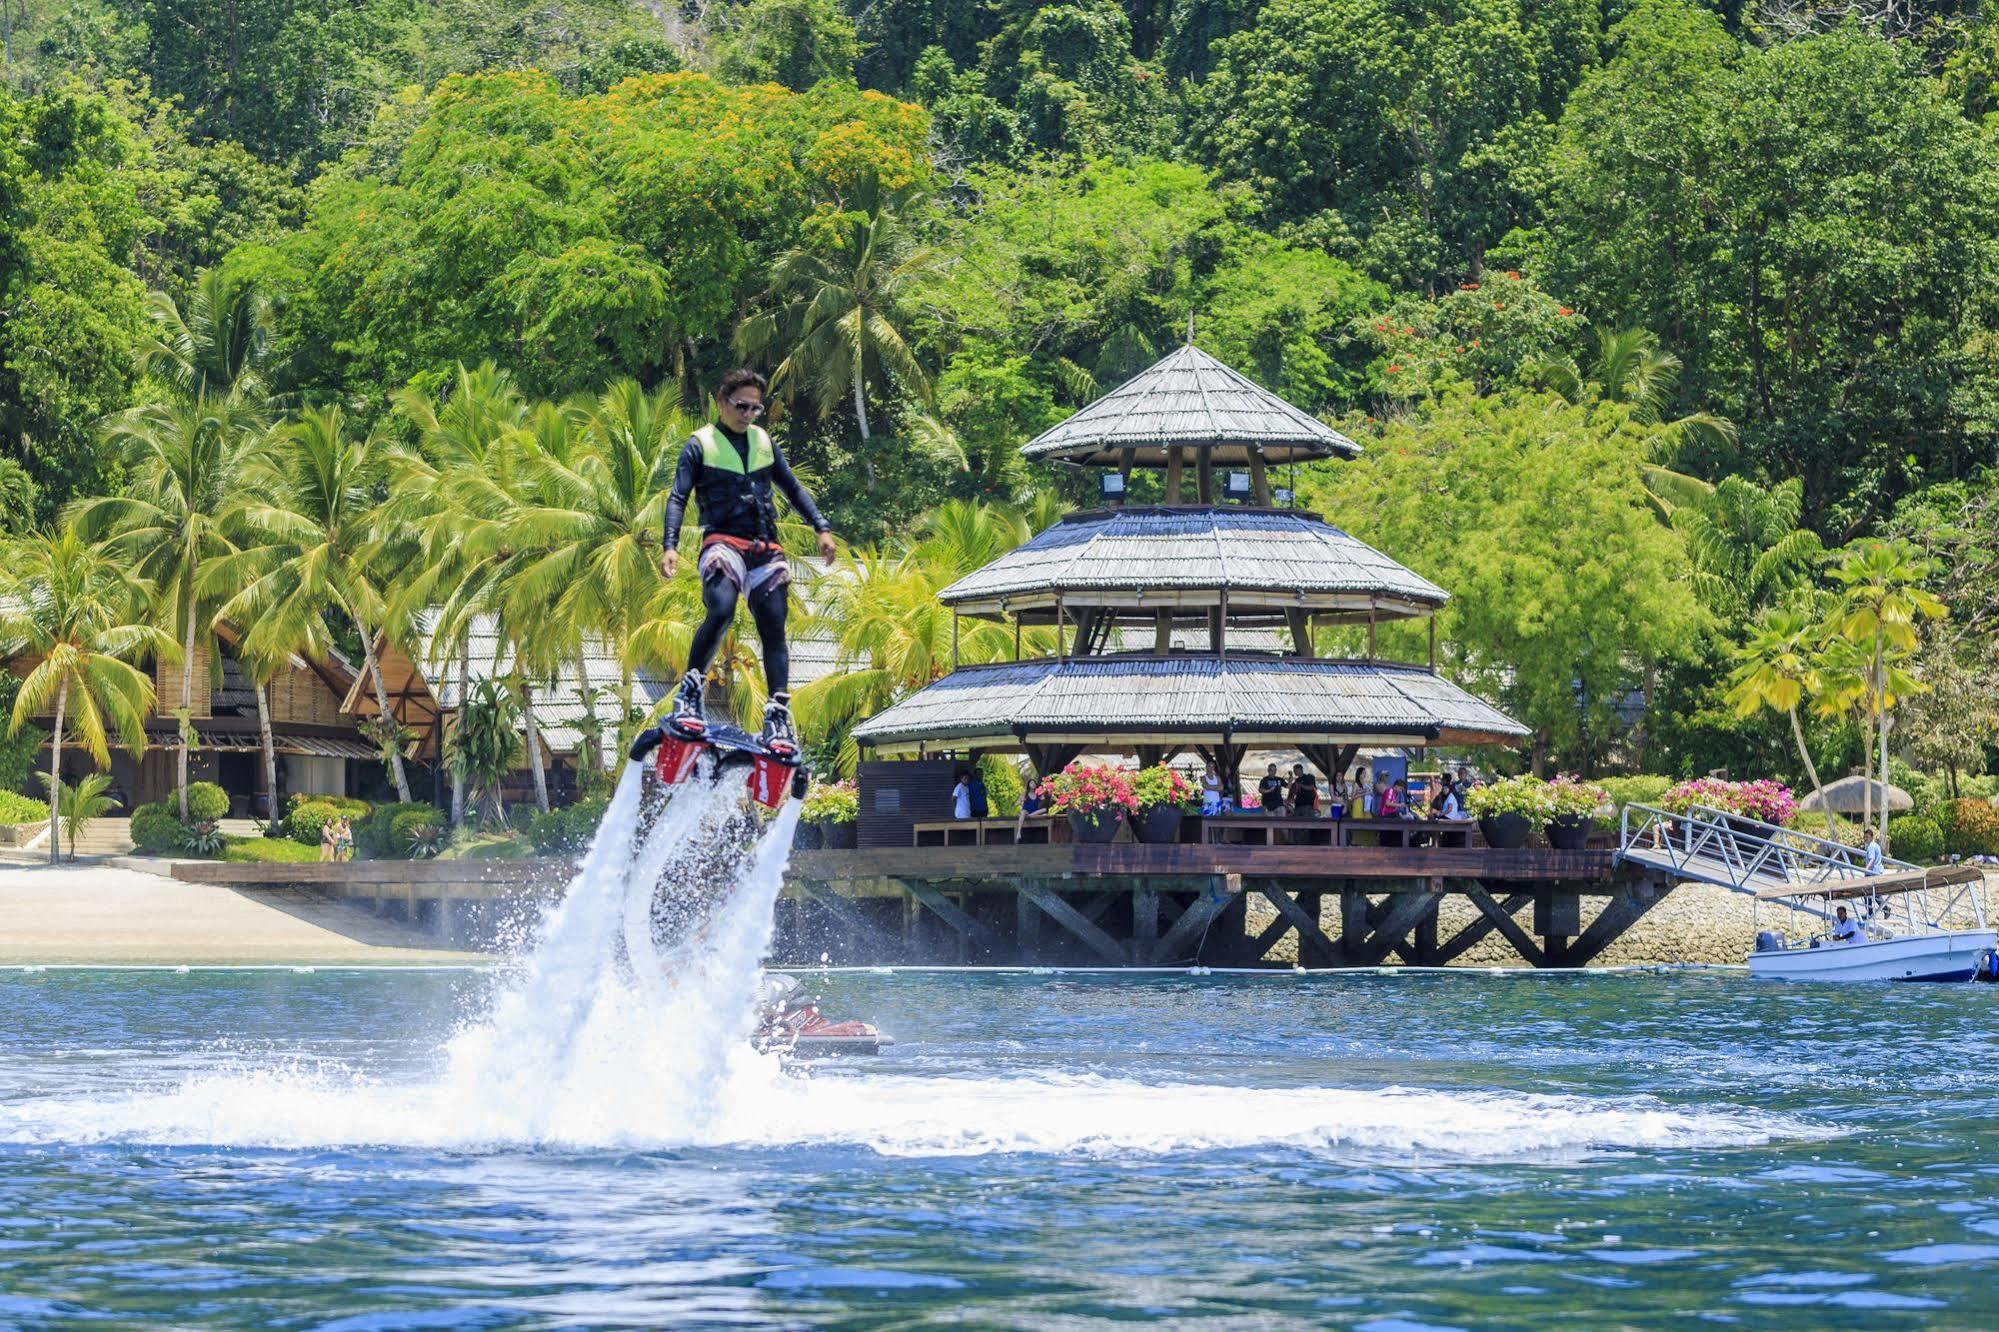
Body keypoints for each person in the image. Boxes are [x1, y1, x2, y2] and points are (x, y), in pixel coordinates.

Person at [660, 369, 838, 753]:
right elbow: (678, 498)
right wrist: (669, 545)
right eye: (741, 406)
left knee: (774, 624)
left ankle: (776, 712)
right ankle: (691, 690)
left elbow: (791, 486)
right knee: (721, 608)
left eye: (756, 408)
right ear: (722, 401)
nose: (748, 415)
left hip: (763, 546)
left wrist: (821, 528)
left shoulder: (763, 443)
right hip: (723, 542)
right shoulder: (700, 445)